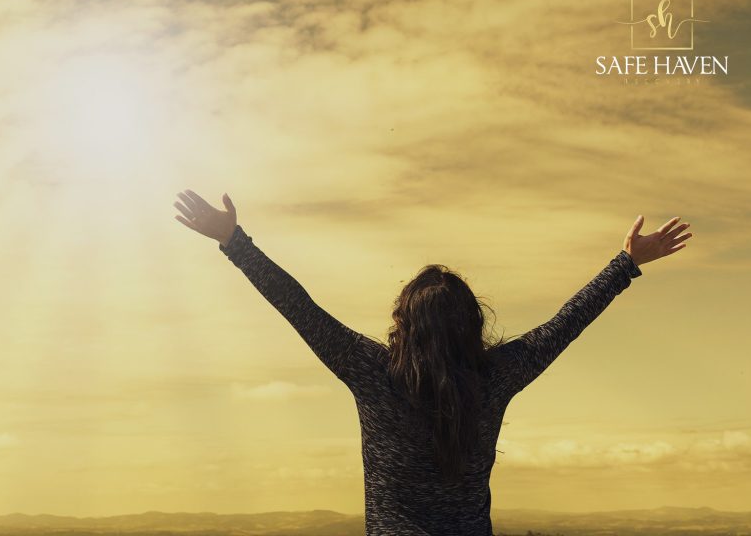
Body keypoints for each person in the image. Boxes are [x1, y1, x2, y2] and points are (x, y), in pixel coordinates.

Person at [173, 189, 692, 536]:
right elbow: (564, 324)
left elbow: (299, 307)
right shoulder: (495, 376)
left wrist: (233, 241)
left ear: (403, 322)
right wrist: (625, 264)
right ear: (472, 323)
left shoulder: (372, 372)